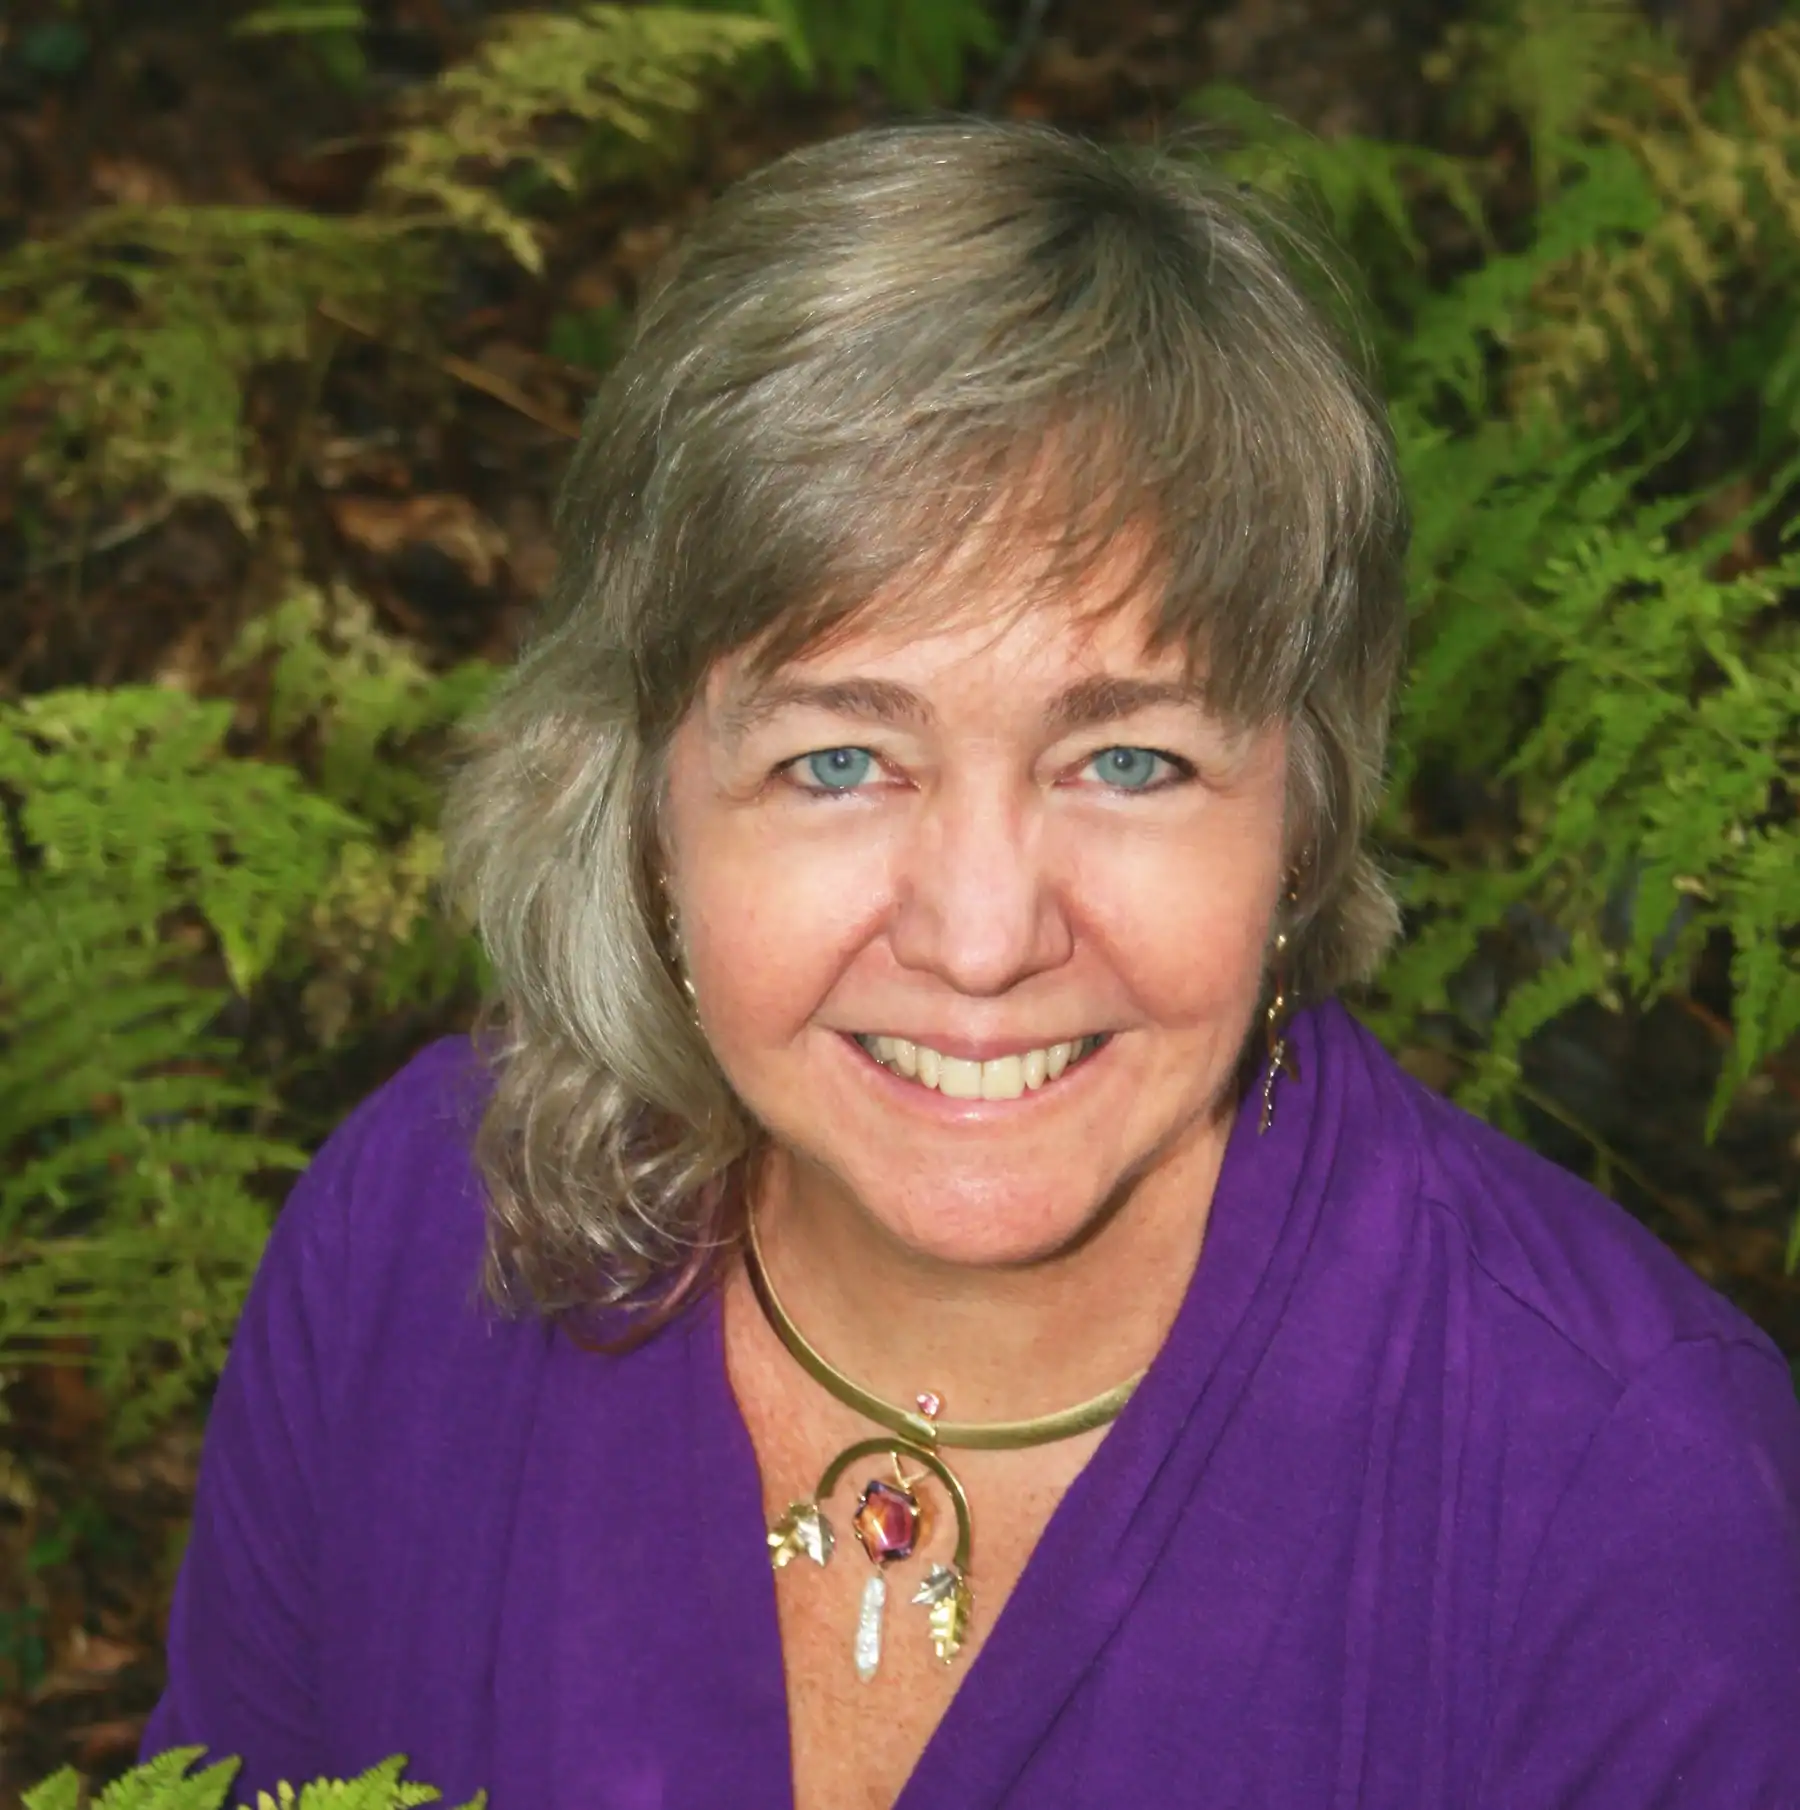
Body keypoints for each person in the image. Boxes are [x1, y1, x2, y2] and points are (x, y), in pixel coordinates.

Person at [141, 120, 1800, 1809]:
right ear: (642, 803)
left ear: (1302, 812)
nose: (987, 937)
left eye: (1129, 761)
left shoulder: (1623, 1497)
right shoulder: (412, 1251)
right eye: (840, 762)